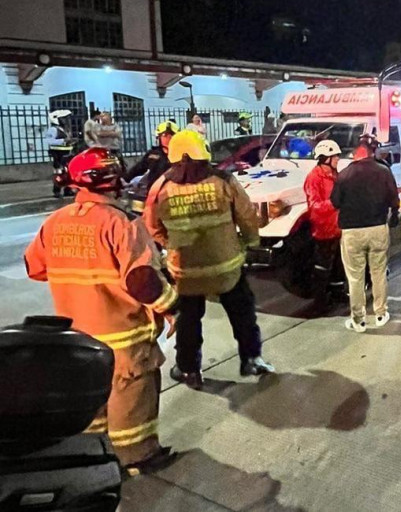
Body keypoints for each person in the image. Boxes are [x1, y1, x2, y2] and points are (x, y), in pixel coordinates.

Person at [24, 147, 178, 475]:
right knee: (131, 400)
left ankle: (96, 457)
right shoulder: (123, 224)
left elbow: (33, 267)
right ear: (114, 180)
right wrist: (173, 307)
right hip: (124, 338)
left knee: (92, 403)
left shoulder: (55, 222)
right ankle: (136, 458)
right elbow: (141, 282)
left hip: (77, 337)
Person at [144, 130, 273, 389]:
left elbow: (152, 225)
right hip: (227, 269)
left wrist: (171, 244)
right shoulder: (223, 181)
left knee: (188, 321)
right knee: (243, 314)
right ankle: (252, 359)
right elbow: (247, 217)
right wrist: (249, 242)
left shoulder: (161, 187)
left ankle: (189, 370)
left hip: (185, 272)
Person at [330, 140, 400, 332]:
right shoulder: (383, 171)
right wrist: (394, 215)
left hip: (352, 232)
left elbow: (335, 202)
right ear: (370, 153)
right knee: (378, 272)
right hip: (377, 228)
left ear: (355, 154)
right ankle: (380, 313)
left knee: (355, 277)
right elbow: (394, 198)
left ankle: (358, 320)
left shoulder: (344, 175)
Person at [303, 140, 346, 304]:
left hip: (337, 227)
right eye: (335, 156)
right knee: (322, 266)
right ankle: (319, 299)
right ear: (325, 158)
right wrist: (333, 203)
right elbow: (314, 206)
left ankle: (337, 293)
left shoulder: (335, 175)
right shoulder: (314, 177)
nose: (337, 159)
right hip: (323, 229)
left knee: (337, 265)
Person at [125, 121, 178, 191]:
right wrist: (124, 179)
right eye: (164, 135)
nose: (168, 139)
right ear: (158, 137)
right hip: (154, 191)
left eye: (171, 136)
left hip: (175, 192)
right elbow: (138, 168)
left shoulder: (182, 154)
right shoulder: (153, 154)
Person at [45, 110, 76, 198]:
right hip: (58, 154)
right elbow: (48, 141)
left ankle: (68, 190)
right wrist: (63, 141)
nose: (66, 120)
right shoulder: (53, 129)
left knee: (68, 173)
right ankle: (57, 190)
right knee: (59, 173)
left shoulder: (65, 129)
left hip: (67, 153)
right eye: (64, 119)